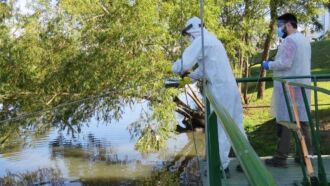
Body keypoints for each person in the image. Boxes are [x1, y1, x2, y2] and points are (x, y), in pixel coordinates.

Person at [171, 16, 247, 176]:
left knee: (221, 128)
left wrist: (173, 68)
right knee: (237, 126)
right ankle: (245, 162)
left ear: (192, 30)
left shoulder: (201, 40)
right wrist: (189, 78)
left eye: (188, 34)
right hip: (230, 88)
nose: (188, 38)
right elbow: (204, 70)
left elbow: (183, 64)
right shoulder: (212, 39)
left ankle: (221, 167)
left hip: (221, 90)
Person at [262, 13, 312, 167]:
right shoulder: (304, 40)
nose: (278, 29)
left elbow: (285, 63)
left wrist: (268, 65)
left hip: (289, 86)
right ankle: (305, 157)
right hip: (302, 86)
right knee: (303, 122)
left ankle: (281, 157)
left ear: (289, 24)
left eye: (280, 25)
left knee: (286, 121)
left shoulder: (290, 41)